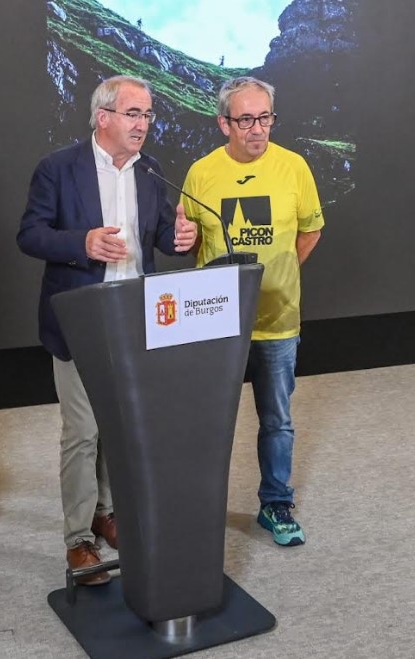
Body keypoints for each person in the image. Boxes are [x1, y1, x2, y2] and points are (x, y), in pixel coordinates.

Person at [18, 75, 197, 584]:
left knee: (120, 427)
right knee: (83, 432)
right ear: (103, 117)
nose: (143, 124)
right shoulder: (58, 168)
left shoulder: (151, 171)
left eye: (147, 115)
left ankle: (107, 512)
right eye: (133, 113)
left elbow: (159, 236)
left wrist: (181, 236)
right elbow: (30, 234)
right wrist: (83, 243)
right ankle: (78, 539)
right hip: (80, 318)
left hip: (135, 318)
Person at [181, 76, 324, 547]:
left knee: (277, 419)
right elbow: (192, 241)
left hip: (277, 321)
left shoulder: (294, 167)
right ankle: (200, 505)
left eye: (265, 118)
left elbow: (310, 231)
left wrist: (278, 274)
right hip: (218, 322)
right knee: (209, 421)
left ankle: (276, 503)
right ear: (224, 124)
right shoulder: (201, 172)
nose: (257, 129)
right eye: (245, 120)